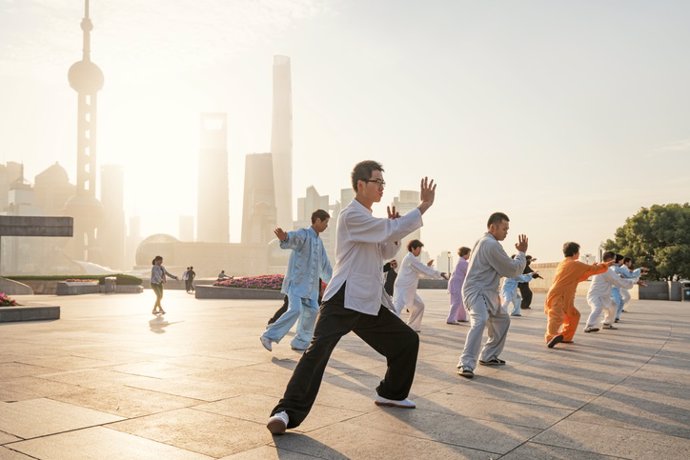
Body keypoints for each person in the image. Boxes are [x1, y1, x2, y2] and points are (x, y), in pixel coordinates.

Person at [266, 161, 436, 435]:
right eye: (377, 182)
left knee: (406, 341)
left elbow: (385, 252)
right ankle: (286, 411)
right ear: (361, 185)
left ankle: (391, 392)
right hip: (343, 297)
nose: (382, 187)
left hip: (368, 300)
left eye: (383, 183)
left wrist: (392, 231)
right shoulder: (351, 216)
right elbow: (385, 232)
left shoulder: (368, 220)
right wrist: (423, 206)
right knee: (317, 353)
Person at [457, 212, 527, 379]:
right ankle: (465, 363)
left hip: (488, 292)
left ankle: (488, 355)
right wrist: (522, 253)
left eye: (507, 229)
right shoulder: (490, 244)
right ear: (492, 227)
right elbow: (510, 269)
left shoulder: (485, 241)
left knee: (502, 320)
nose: (506, 232)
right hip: (477, 291)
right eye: (504, 228)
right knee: (480, 321)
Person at [260, 210, 333, 352]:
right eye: (325, 222)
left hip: (311, 288)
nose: (326, 226)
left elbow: (325, 264)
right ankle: (268, 336)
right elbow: (293, 238)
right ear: (317, 220)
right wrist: (285, 237)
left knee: (313, 310)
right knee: (295, 309)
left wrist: (335, 280)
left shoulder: (319, 242)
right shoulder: (304, 234)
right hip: (297, 284)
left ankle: (301, 342)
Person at [544, 242, 611, 348]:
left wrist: (591, 268)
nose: (579, 254)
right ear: (575, 253)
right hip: (558, 294)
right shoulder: (575, 264)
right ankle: (550, 337)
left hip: (566, 296)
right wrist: (606, 265)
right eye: (578, 252)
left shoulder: (565, 263)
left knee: (574, 316)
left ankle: (565, 337)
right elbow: (594, 270)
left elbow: (579, 276)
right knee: (556, 316)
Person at [392, 239, 447, 331]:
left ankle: (412, 326)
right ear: (413, 248)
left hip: (409, 289)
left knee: (419, 306)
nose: (420, 251)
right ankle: (387, 328)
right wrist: (440, 274)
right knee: (396, 309)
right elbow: (422, 269)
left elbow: (421, 271)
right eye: (419, 249)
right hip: (402, 288)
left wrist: (428, 267)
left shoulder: (412, 259)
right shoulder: (410, 258)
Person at [584, 251, 639, 333]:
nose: (615, 261)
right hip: (595, 295)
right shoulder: (604, 269)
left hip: (604, 296)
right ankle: (588, 326)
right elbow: (617, 280)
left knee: (613, 306)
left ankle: (606, 323)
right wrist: (634, 282)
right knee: (597, 307)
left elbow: (617, 279)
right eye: (614, 259)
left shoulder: (604, 268)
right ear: (610, 259)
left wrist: (633, 282)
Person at [446, 246, 470, 324]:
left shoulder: (461, 261)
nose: (469, 255)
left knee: (459, 301)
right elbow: (469, 273)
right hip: (456, 284)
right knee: (456, 301)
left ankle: (461, 317)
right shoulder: (463, 263)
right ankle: (450, 319)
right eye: (469, 254)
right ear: (464, 254)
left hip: (457, 284)